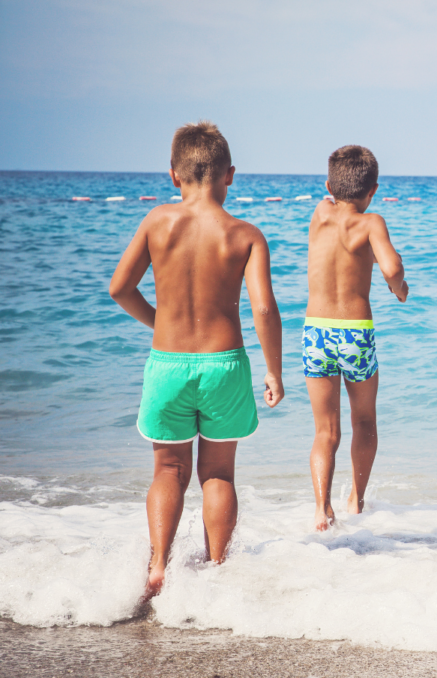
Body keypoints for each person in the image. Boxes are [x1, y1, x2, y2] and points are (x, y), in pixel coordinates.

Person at [109, 121, 284, 597]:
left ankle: (158, 567)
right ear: (230, 174)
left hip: (168, 362)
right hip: (224, 364)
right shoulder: (245, 234)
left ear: (173, 174)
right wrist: (273, 370)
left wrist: (159, 322)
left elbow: (120, 288)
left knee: (168, 469)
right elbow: (264, 308)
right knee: (218, 473)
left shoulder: (157, 222)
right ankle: (218, 570)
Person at [304, 145, 408, 529]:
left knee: (325, 430)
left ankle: (321, 507)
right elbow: (391, 267)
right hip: (355, 333)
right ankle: (356, 501)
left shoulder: (320, 213)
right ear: (373, 190)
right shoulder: (371, 223)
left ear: (329, 186)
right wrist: (399, 289)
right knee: (364, 420)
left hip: (316, 330)